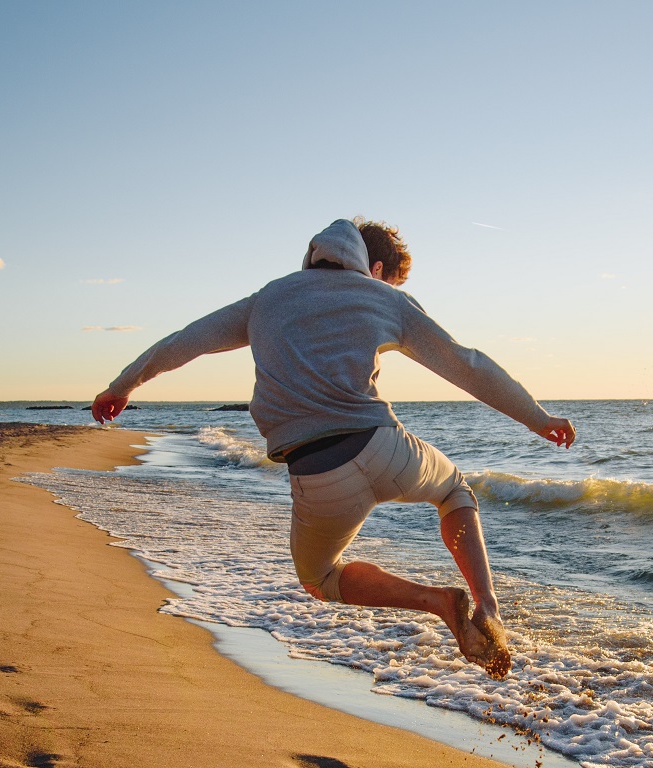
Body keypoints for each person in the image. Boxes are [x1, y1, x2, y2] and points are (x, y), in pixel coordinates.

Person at [92, 218, 575, 679]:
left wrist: (121, 386)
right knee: (453, 491)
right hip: (385, 448)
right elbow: (467, 364)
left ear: (310, 258)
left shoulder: (268, 298)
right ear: (366, 265)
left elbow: (186, 342)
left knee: (320, 578)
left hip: (317, 475)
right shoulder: (383, 297)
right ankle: (487, 605)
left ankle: (438, 603)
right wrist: (538, 418)